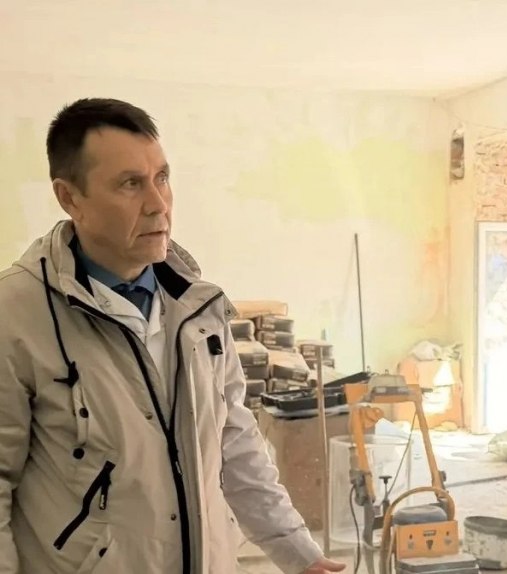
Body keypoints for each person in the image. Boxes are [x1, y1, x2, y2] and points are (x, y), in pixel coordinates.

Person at [0, 98, 346, 574]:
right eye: (130, 184)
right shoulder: (16, 315)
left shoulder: (200, 309)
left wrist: (299, 554)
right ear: (70, 198)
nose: (157, 204)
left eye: (161, 178)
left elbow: (236, 446)